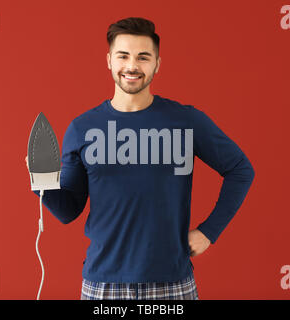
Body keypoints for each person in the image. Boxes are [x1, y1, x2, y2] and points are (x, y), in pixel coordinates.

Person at [25, 17, 255, 300]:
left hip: (172, 282)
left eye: (143, 57)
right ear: (109, 60)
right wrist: (41, 180)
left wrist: (209, 231)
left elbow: (240, 169)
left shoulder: (185, 120)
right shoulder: (81, 128)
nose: (132, 66)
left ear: (157, 64)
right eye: (123, 56)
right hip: (103, 284)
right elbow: (68, 211)